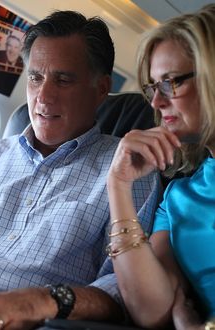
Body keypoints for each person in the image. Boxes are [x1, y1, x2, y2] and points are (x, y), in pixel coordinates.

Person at [0, 10, 160, 330]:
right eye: (36, 77)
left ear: (101, 89)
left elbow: (122, 288)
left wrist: (43, 300)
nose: (44, 97)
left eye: (63, 80)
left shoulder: (130, 170)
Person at [106, 4, 215, 329]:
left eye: (171, 82)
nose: (156, 102)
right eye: (153, 86)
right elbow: (152, 311)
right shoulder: (179, 198)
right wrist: (118, 185)